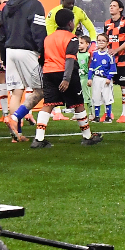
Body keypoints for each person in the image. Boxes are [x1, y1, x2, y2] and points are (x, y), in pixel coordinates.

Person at [30, 9, 102, 149]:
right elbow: (69, 60)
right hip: (65, 73)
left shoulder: (48, 38)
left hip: (48, 73)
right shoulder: (72, 38)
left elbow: (41, 59)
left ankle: (38, 139)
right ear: (70, 23)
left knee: (48, 104)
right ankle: (87, 137)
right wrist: (66, 79)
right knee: (78, 104)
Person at [0, 0, 49, 142]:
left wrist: (4, 56)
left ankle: (17, 135)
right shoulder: (35, 4)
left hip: (10, 50)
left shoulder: (8, 5)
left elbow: (1, 33)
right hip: (27, 50)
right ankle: (15, 118)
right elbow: (38, 31)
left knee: (16, 92)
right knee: (42, 89)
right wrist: (43, 53)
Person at [102, 0, 125, 122]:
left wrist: (116, 50)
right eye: (110, 5)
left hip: (123, 60)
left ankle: (124, 115)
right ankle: (108, 113)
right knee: (107, 85)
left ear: (120, 9)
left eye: (114, 6)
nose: (111, 7)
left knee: (124, 86)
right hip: (110, 60)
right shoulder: (107, 23)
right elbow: (105, 40)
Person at [88, 34, 117, 121]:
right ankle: (97, 117)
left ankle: (108, 116)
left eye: (103, 41)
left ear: (107, 43)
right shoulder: (95, 54)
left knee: (107, 97)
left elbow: (112, 68)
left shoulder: (110, 55)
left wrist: (109, 77)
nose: (100, 42)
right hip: (96, 78)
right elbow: (91, 67)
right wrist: (89, 78)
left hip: (105, 79)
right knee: (96, 97)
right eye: (99, 40)